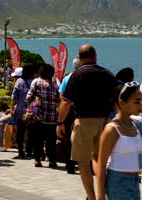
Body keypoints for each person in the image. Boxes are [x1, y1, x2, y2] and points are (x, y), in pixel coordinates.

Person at [57, 45, 116, 200]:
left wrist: (60, 123)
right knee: (99, 159)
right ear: (95, 56)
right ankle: (102, 194)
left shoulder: (76, 75)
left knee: (83, 163)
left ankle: (91, 197)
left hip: (83, 122)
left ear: (80, 58)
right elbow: (116, 101)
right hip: (105, 122)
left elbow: (65, 102)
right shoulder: (107, 74)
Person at [97, 82, 142, 200]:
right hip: (118, 183)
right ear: (122, 102)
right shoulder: (112, 129)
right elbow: (101, 165)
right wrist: (101, 196)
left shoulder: (134, 126)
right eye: (137, 101)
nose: (140, 105)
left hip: (134, 182)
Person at [26, 64, 60, 168]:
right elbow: (59, 100)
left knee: (38, 139)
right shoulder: (55, 85)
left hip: (38, 117)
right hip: (52, 117)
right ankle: (52, 161)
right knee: (51, 140)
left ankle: (37, 160)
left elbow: (28, 97)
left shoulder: (36, 82)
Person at [58, 58, 81, 174]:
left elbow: (62, 96)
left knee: (69, 138)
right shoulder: (85, 78)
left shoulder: (67, 78)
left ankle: (70, 165)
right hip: (82, 111)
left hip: (68, 110)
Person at [10, 65, 34, 158]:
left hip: (20, 110)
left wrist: (12, 108)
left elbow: (14, 96)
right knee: (31, 131)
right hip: (32, 111)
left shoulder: (19, 81)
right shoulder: (34, 81)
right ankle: (29, 151)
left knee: (20, 132)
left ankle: (20, 151)